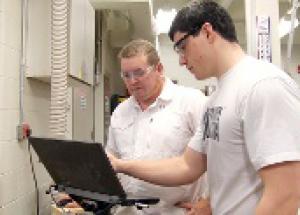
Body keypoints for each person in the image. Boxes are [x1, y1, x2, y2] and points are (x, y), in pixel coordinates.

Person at [108, 1, 300, 214]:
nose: (181, 61)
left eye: (182, 47)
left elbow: (285, 196)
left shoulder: (262, 85)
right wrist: (120, 165)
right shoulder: (216, 98)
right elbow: (187, 166)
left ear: (208, 32)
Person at [106, 39, 210, 215]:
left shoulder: (191, 102)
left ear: (159, 69)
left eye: (139, 73)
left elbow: (220, 157)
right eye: (126, 75)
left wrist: (210, 202)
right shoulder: (121, 111)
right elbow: (112, 160)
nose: (133, 81)